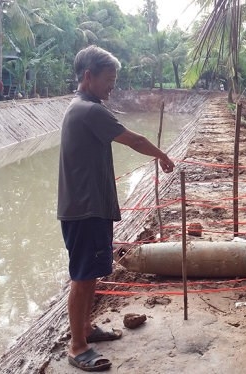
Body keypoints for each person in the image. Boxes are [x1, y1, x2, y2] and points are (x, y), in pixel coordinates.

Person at [57, 45, 175, 372]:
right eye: (109, 80)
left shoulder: (83, 107)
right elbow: (134, 140)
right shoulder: (90, 111)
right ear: (88, 76)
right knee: (82, 277)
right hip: (85, 210)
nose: (113, 86)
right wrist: (162, 155)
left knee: (91, 271)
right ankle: (77, 347)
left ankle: (84, 329)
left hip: (87, 207)